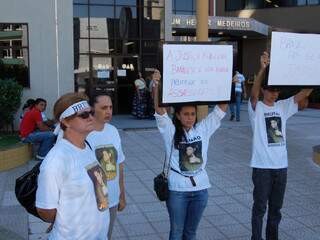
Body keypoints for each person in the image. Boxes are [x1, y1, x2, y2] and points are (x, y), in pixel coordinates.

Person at [153, 69, 228, 240]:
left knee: (191, 233)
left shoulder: (203, 130)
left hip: (201, 189)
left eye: (192, 114)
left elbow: (221, 109)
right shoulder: (170, 132)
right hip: (177, 190)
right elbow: (159, 110)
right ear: (178, 116)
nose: (190, 117)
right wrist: (156, 85)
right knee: (177, 232)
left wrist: (226, 85)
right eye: (185, 114)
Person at [249, 51, 313, 240]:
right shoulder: (256, 108)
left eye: (276, 90)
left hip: (281, 168)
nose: (274, 93)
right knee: (260, 208)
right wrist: (262, 69)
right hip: (262, 168)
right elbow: (253, 94)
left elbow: (305, 92)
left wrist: (311, 69)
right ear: (264, 90)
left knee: (276, 210)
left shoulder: (283, 106)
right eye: (270, 90)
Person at [36, 92, 110, 240]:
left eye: (91, 113)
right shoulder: (56, 161)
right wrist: (67, 219)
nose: (91, 117)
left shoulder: (87, 147)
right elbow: (46, 210)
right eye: (83, 115)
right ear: (65, 122)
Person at [87, 92, 126, 240]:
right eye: (104, 107)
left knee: (106, 236)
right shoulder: (84, 133)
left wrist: (122, 194)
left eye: (110, 107)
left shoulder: (113, 131)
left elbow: (119, 165)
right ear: (92, 108)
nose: (108, 111)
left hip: (112, 198)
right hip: (91, 200)